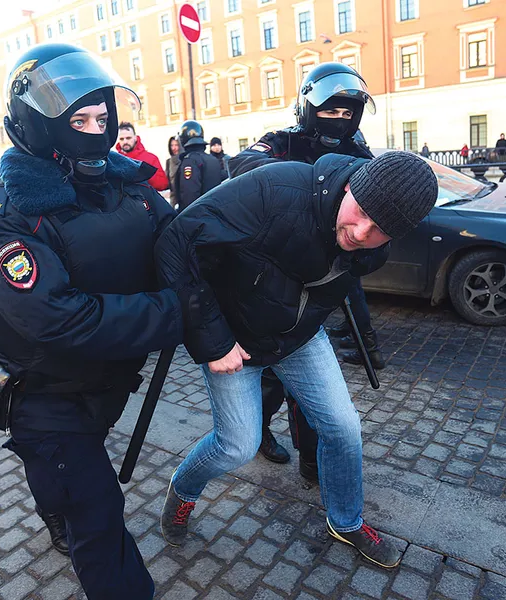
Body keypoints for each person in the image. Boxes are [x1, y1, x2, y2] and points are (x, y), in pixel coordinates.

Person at [0, 43, 190, 599]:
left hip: (110, 382)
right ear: (40, 125)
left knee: (67, 482)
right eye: (79, 119)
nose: (97, 132)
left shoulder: (130, 187)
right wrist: (174, 312)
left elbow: (182, 246)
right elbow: (58, 318)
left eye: (104, 118)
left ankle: (55, 501)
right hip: (45, 395)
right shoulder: (9, 214)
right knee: (95, 514)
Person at [157, 150, 439, 568]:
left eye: (379, 229)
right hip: (235, 340)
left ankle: (345, 521)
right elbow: (175, 242)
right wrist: (212, 340)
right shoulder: (275, 190)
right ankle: (182, 490)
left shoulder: (372, 248)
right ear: (349, 185)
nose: (361, 232)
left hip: (300, 339)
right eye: (360, 212)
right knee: (237, 445)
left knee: (344, 428)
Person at [228, 62, 385, 481]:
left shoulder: (358, 150)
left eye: (347, 112)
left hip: (324, 279)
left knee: (311, 389)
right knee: (272, 382)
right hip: (273, 275)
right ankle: (259, 431)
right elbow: (240, 167)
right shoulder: (283, 141)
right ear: (309, 107)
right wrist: (311, 184)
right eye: (330, 110)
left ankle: (313, 457)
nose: (339, 120)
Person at [175, 120, 222, 212]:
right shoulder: (212, 159)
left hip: (198, 217)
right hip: (214, 214)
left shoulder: (190, 161)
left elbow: (189, 195)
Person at [115, 122, 169, 190]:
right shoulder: (114, 160)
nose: (125, 142)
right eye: (122, 139)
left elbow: (162, 184)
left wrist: (145, 173)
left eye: (128, 138)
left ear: (135, 137)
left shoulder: (151, 158)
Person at [165, 136, 182, 207]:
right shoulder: (168, 162)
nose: (174, 148)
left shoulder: (186, 160)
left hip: (185, 197)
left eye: (176, 145)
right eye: (172, 145)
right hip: (174, 198)